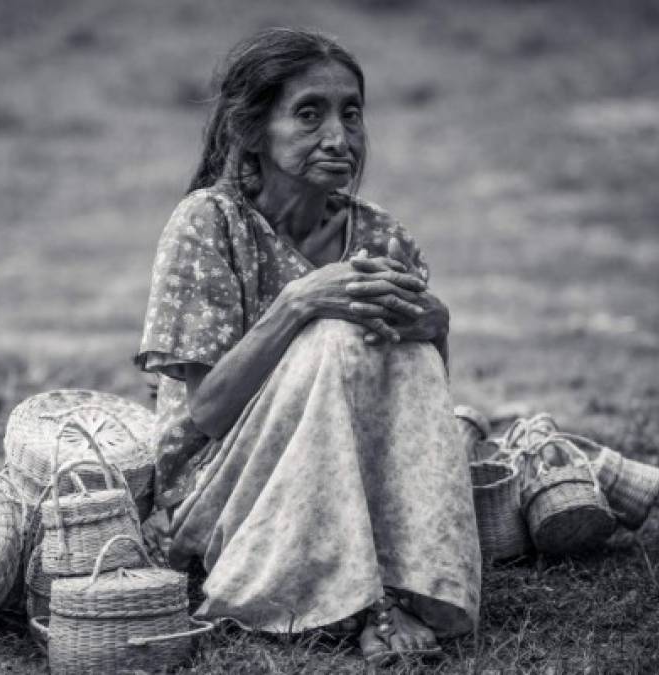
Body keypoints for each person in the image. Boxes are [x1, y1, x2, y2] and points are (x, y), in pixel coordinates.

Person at [134, 27, 480, 664]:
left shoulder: (382, 235)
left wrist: (438, 326)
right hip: (221, 489)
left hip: (361, 484)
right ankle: (365, 598)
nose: (338, 136)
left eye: (351, 113)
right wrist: (298, 303)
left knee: (392, 332)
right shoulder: (208, 223)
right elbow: (205, 412)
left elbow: (413, 410)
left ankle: (412, 582)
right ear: (253, 130)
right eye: (308, 114)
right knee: (334, 331)